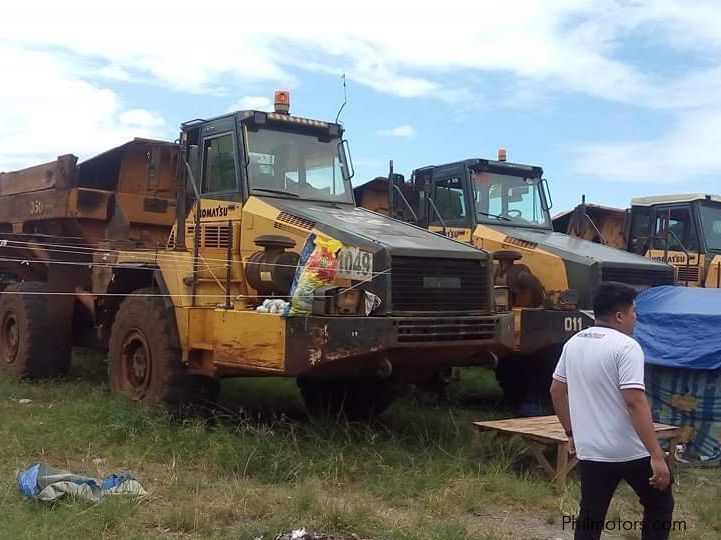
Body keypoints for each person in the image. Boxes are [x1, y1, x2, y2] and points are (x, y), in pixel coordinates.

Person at [549, 282, 674, 540]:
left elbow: (556, 391)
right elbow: (634, 402)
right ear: (619, 316)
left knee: (591, 515)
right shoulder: (626, 346)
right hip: (629, 449)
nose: (635, 318)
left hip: (591, 450)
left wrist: (571, 433)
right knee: (660, 504)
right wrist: (656, 454)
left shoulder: (574, 343)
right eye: (633, 312)